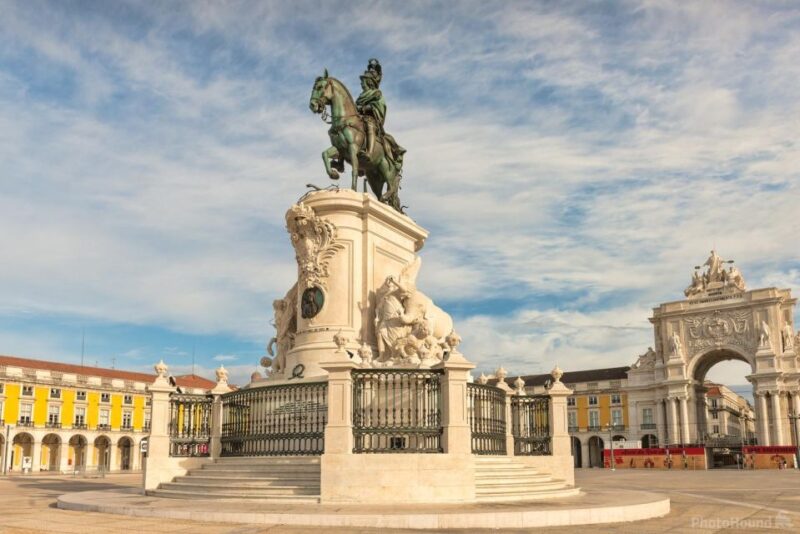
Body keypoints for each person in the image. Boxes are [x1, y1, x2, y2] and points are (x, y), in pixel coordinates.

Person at [356, 59, 386, 157]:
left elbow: (378, 106)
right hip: (360, 118)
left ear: (368, 82)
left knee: (370, 127)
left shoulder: (376, 93)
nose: (361, 84)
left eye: (363, 82)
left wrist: (363, 108)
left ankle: (369, 152)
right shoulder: (361, 96)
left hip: (371, 119)